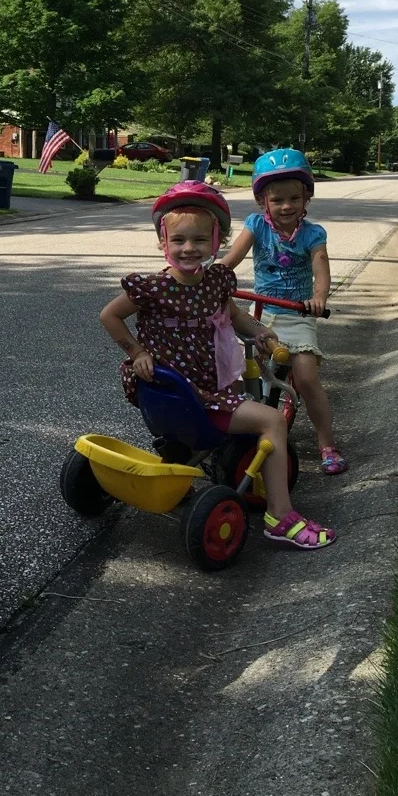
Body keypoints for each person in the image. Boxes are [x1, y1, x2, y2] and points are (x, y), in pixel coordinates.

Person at [100, 181, 336, 550]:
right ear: (163, 242)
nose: (188, 248)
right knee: (273, 420)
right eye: (178, 240)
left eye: (199, 240)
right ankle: (280, 515)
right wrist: (137, 352)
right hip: (196, 398)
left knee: (242, 392)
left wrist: (261, 332)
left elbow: (235, 316)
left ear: (217, 242)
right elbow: (109, 315)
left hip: (171, 398)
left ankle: (197, 459)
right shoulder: (152, 288)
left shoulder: (213, 284)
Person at [221, 148, 346, 476]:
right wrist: (211, 278)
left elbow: (321, 270)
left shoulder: (312, 235)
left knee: (306, 378)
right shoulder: (256, 226)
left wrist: (318, 297)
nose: (286, 206)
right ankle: (240, 425)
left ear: (307, 198)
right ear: (262, 201)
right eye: (277, 200)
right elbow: (231, 259)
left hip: (297, 315)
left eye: (295, 198)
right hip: (260, 313)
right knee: (237, 370)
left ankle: (327, 444)